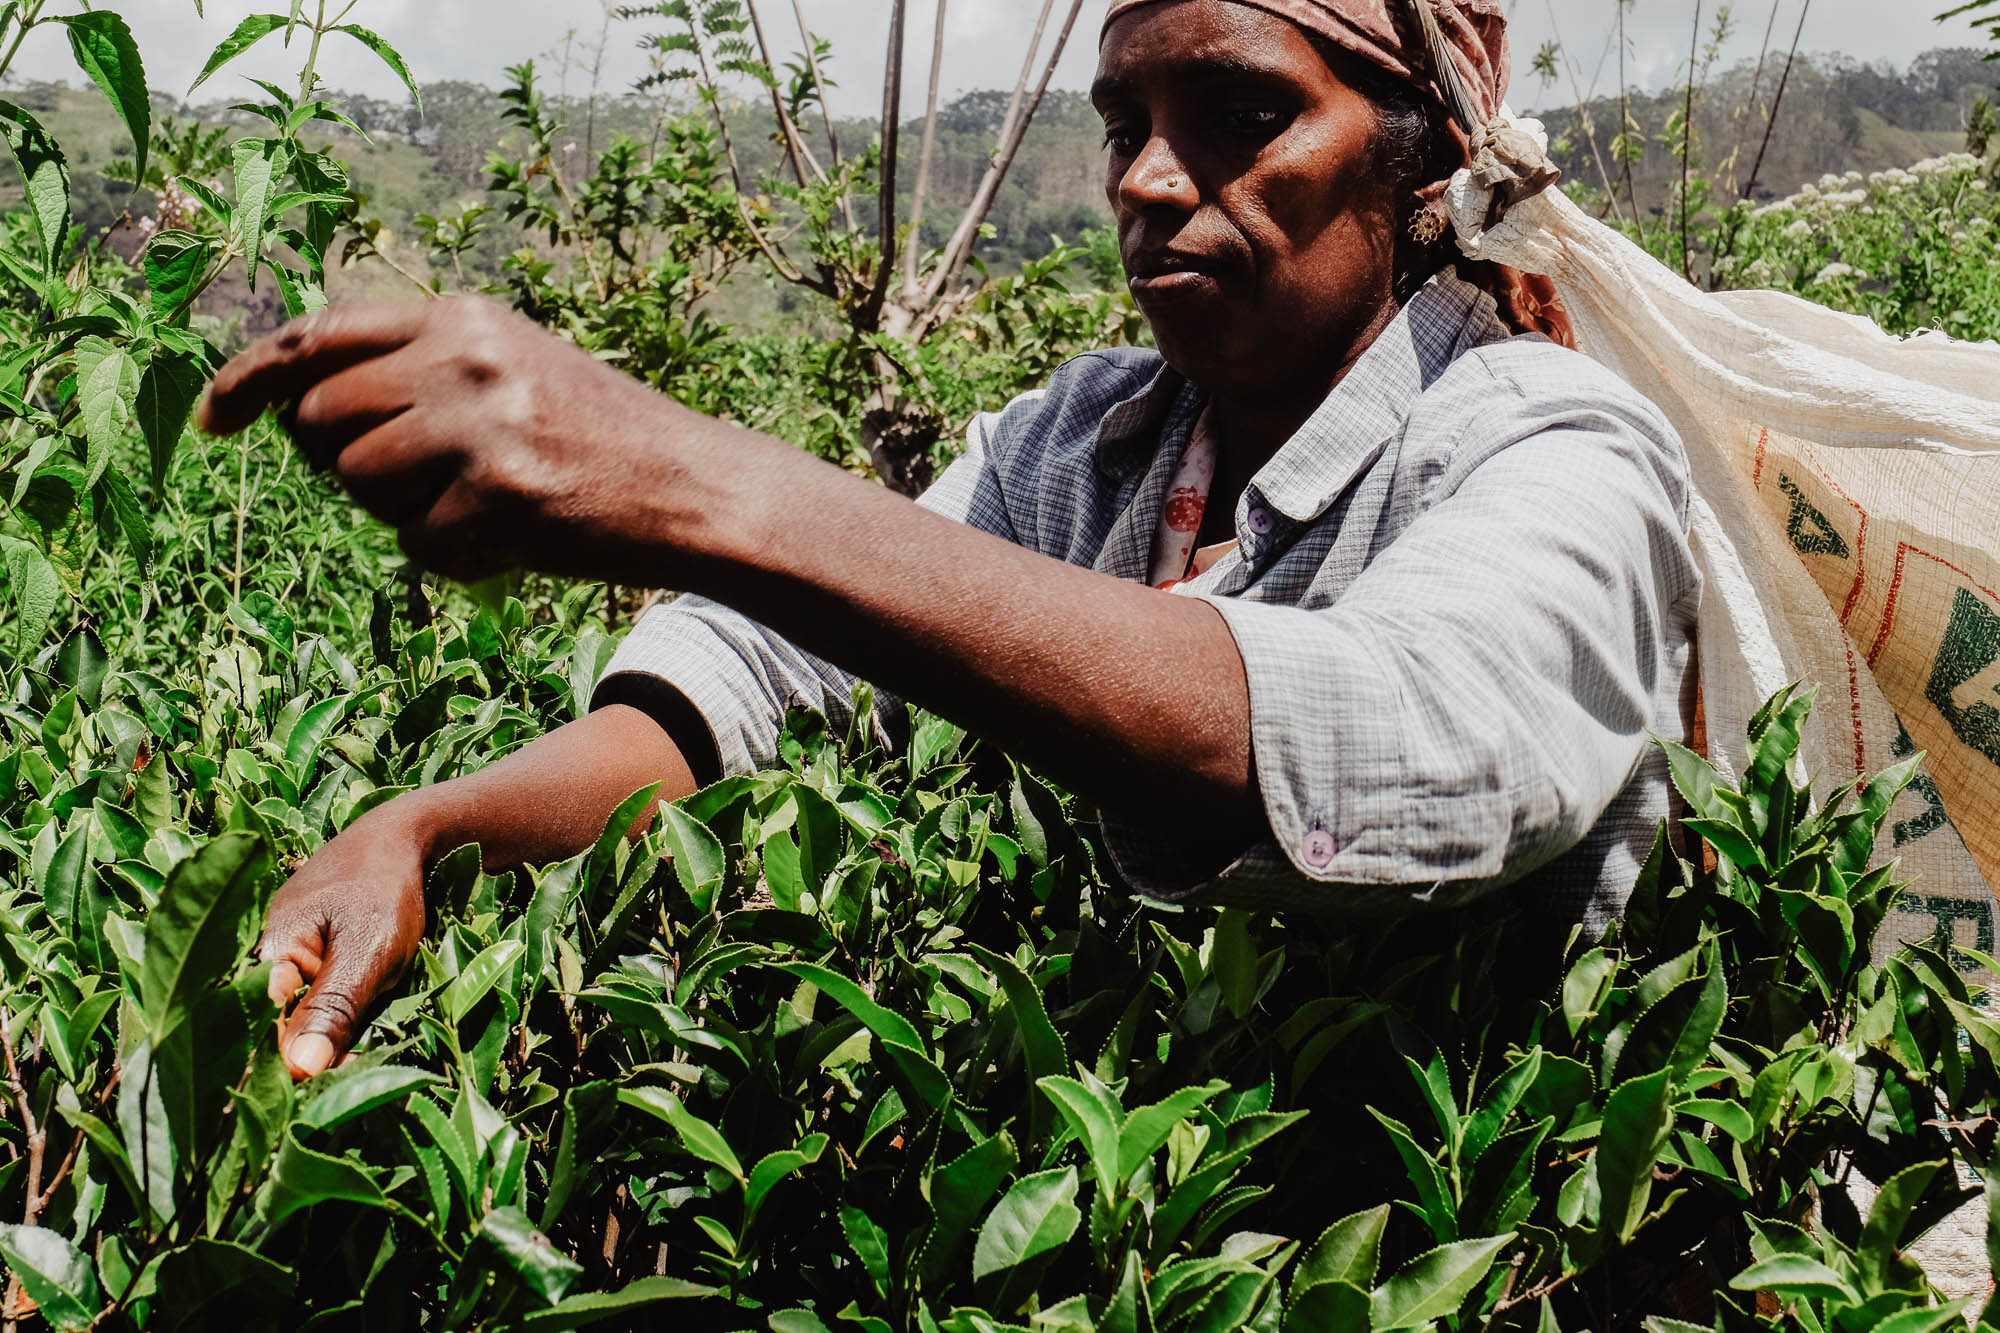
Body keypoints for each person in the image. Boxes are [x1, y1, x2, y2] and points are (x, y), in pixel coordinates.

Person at [199, 0, 1699, 1081]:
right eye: (1126, 126)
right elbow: (762, 668)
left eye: (1243, 117)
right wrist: (428, 829)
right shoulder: (1087, 446)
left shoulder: (1555, 445)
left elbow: (1407, 728)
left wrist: (689, 480)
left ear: (1424, 158)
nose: (1147, 178)